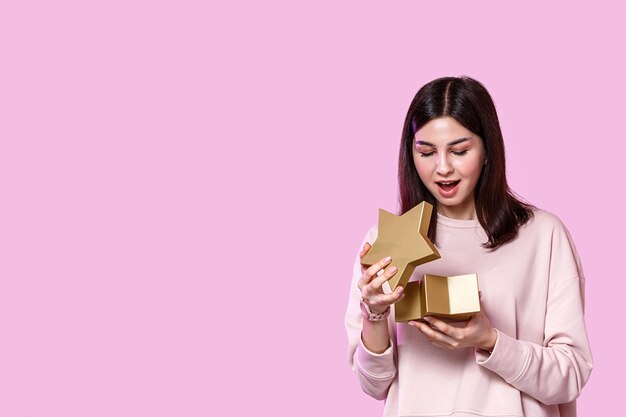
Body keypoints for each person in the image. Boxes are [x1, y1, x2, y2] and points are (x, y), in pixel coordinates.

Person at [345, 76, 593, 417]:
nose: (443, 167)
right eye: (426, 152)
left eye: (459, 151)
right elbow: (374, 386)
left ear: (488, 148)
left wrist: (490, 340)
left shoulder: (543, 236)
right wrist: (373, 313)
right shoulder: (387, 239)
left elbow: (571, 376)